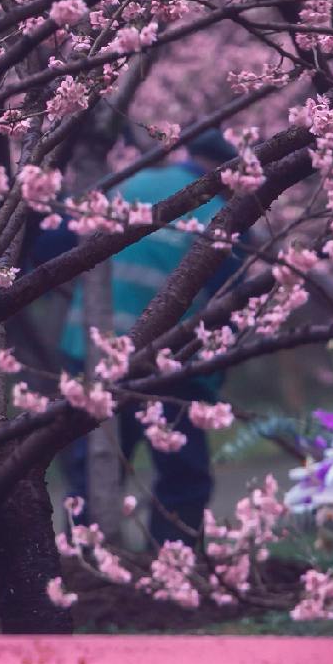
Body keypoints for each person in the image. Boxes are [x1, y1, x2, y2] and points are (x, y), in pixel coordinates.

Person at [58, 140, 238, 546]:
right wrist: (208, 383)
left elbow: (51, 247)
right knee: (183, 472)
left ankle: (85, 556)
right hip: (169, 362)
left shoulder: (127, 183)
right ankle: (173, 561)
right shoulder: (222, 216)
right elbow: (230, 309)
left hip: (88, 346)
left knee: (95, 463)